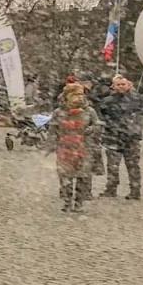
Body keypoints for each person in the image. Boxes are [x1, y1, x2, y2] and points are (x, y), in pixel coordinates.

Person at [49, 81, 101, 213]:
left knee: (82, 176)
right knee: (65, 175)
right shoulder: (59, 112)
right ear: (67, 96)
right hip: (65, 148)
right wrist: (51, 144)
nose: (80, 97)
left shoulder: (89, 111)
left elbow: (97, 125)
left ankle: (78, 202)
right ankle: (67, 201)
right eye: (76, 94)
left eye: (81, 94)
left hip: (83, 147)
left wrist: (91, 129)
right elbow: (53, 128)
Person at [99, 73, 143, 200]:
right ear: (113, 86)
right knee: (112, 165)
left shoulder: (137, 99)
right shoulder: (107, 101)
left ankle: (135, 191)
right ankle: (111, 188)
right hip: (113, 137)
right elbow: (102, 116)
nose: (121, 87)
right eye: (118, 84)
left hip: (131, 138)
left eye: (123, 84)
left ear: (128, 85)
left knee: (133, 165)